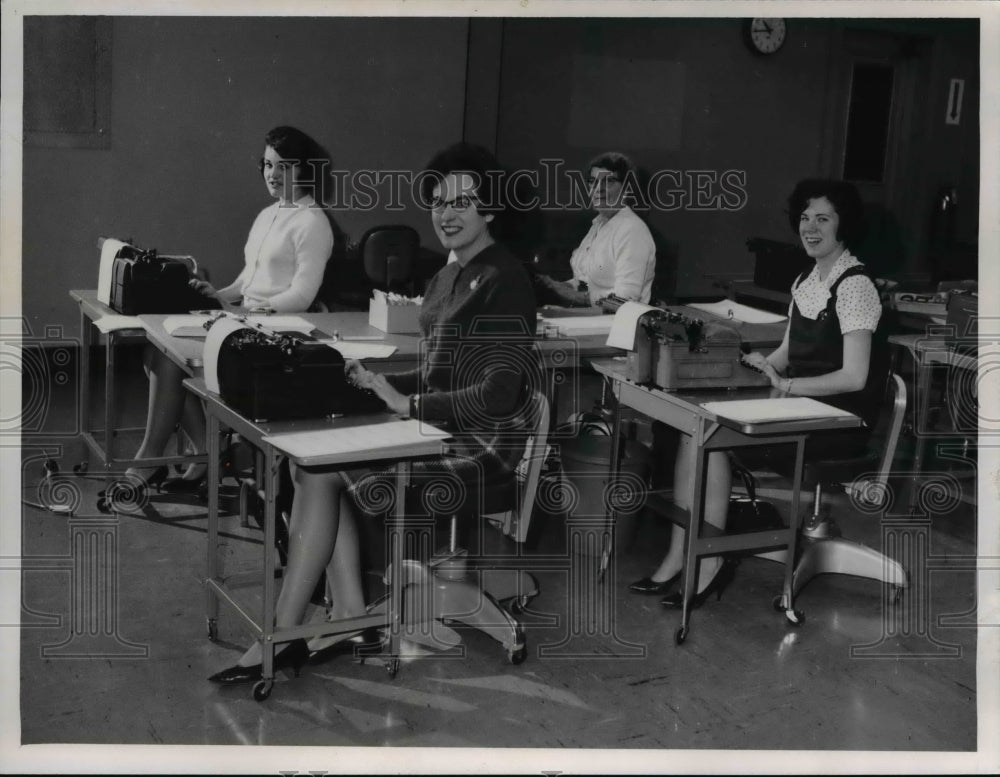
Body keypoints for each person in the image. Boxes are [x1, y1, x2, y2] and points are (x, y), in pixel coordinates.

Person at [207, 142, 540, 685]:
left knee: (320, 471)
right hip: (438, 427)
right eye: (438, 201)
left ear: (491, 209)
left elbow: (497, 396)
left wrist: (406, 403)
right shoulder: (450, 274)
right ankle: (345, 619)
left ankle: (287, 634)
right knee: (306, 465)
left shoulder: (506, 279)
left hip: (481, 448)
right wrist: (372, 383)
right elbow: (439, 376)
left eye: (462, 202)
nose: (446, 214)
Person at [629, 179, 885, 607]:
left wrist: (787, 385)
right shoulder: (808, 278)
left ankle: (708, 566)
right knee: (697, 429)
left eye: (823, 218)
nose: (811, 227)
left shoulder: (855, 284)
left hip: (838, 420)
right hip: (802, 405)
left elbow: (855, 377)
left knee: (713, 441)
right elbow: (788, 351)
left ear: (845, 226)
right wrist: (760, 364)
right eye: (805, 218)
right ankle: (679, 557)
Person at [101, 126, 336, 509]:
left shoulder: (314, 222)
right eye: (267, 165)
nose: (272, 174)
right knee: (157, 352)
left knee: (167, 359)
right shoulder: (269, 214)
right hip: (244, 319)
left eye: (284, 167)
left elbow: (302, 295)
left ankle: (148, 461)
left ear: (305, 171)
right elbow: (251, 275)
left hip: (274, 331)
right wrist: (222, 295)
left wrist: (244, 310)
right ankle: (204, 452)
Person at [536, 151, 656, 307]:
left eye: (609, 181)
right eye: (593, 181)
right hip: (587, 320)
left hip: (612, 326)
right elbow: (585, 282)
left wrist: (571, 295)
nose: (598, 189)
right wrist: (555, 285)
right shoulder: (598, 225)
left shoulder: (632, 231)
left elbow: (625, 300)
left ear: (627, 188)